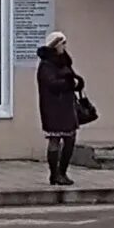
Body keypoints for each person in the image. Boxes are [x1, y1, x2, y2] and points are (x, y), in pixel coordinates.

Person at [35, 31, 85, 186]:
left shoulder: (64, 61)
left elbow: (72, 77)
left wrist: (78, 82)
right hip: (53, 108)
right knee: (55, 139)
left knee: (70, 139)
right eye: (62, 43)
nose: (65, 46)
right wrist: (69, 83)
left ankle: (62, 172)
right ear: (55, 44)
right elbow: (52, 84)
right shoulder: (46, 65)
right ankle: (54, 174)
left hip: (67, 106)